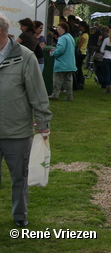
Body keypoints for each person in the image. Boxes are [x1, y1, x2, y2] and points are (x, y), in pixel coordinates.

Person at [0, 13, 52, 228]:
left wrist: (43, 124)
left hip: (17, 130)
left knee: (19, 177)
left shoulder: (25, 56)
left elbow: (38, 94)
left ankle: (19, 215)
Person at [49, 21, 77, 101]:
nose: (58, 30)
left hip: (62, 63)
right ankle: (69, 96)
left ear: (63, 29)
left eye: (59, 28)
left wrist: (53, 53)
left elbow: (61, 50)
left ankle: (55, 95)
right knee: (68, 81)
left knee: (57, 80)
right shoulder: (70, 37)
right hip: (70, 63)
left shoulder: (62, 38)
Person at [75, 21, 89, 89]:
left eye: (80, 26)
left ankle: (80, 81)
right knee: (79, 67)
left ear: (83, 27)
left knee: (79, 67)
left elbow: (80, 44)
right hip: (83, 52)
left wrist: (77, 47)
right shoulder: (84, 34)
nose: (78, 27)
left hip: (81, 52)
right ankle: (80, 81)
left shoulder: (84, 35)